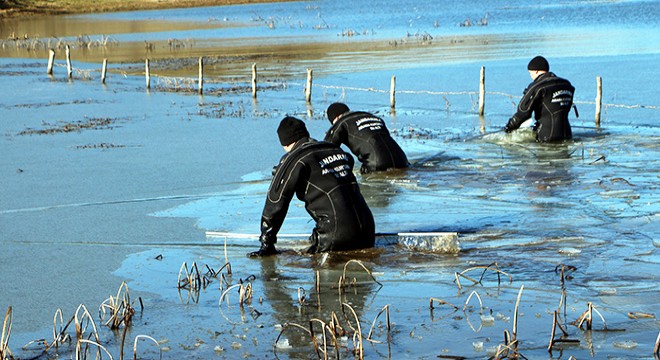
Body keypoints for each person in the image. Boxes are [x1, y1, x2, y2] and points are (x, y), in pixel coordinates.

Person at [248, 116, 375, 257]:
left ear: (284, 142)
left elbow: (275, 202)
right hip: (368, 230)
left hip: (335, 235)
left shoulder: (295, 159)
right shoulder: (335, 150)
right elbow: (348, 162)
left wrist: (267, 242)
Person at [504, 56, 575, 142]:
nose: (531, 77)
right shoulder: (566, 84)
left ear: (536, 71)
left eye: (530, 73)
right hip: (567, 134)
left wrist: (509, 127)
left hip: (546, 137)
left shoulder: (537, 86)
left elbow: (523, 112)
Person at [325, 102, 409, 173]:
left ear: (336, 118)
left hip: (376, 163)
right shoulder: (375, 118)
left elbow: (325, 151)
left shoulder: (341, 123)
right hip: (402, 159)